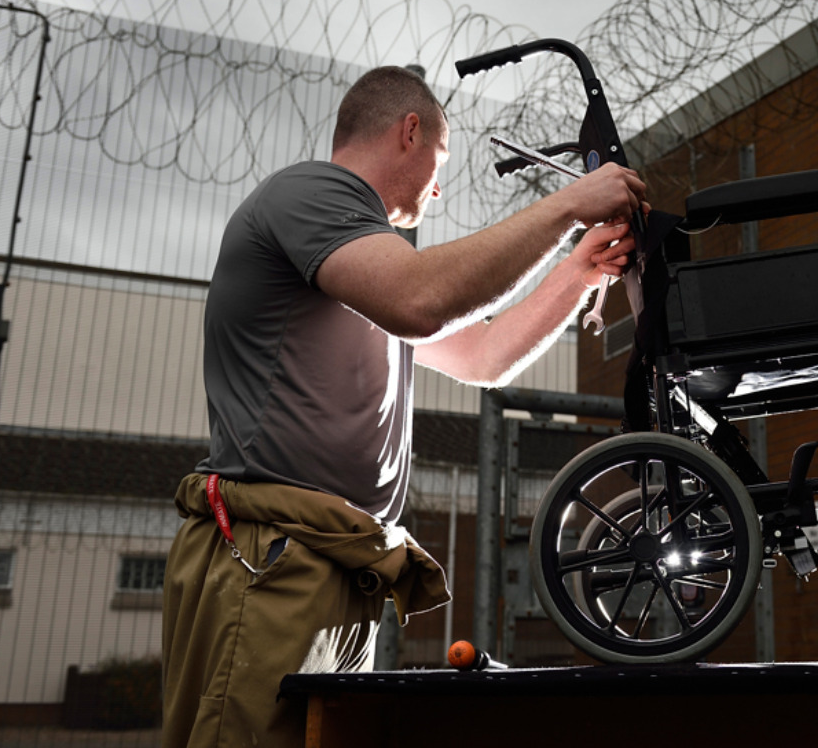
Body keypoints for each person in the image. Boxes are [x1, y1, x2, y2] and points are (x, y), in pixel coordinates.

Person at [160, 65, 645, 748]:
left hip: (335, 563)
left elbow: (483, 355)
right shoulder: (310, 195)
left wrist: (577, 271)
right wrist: (568, 205)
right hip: (271, 560)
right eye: (439, 162)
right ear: (409, 131)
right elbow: (420, 301)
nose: (437, 189)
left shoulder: (359, 261)